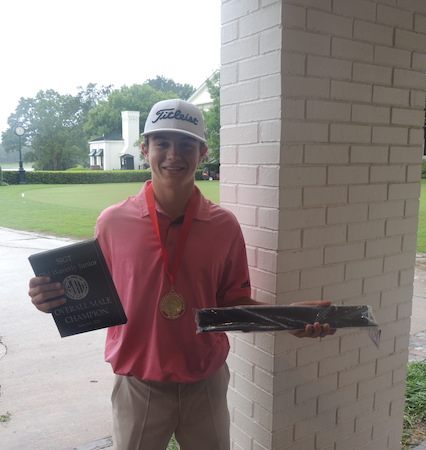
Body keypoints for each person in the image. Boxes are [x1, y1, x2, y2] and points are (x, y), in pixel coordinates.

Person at [28, 98, 335, 450]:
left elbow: (232, 304)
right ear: (145, 149)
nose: (174, 154)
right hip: (139, 381)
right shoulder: (112, 222)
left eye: (187, 145)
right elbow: (92, 294)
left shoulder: (224, 225)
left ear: (202, 153)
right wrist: (52, 297)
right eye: (162, 143)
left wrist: (289, 320)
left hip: (205, 380)